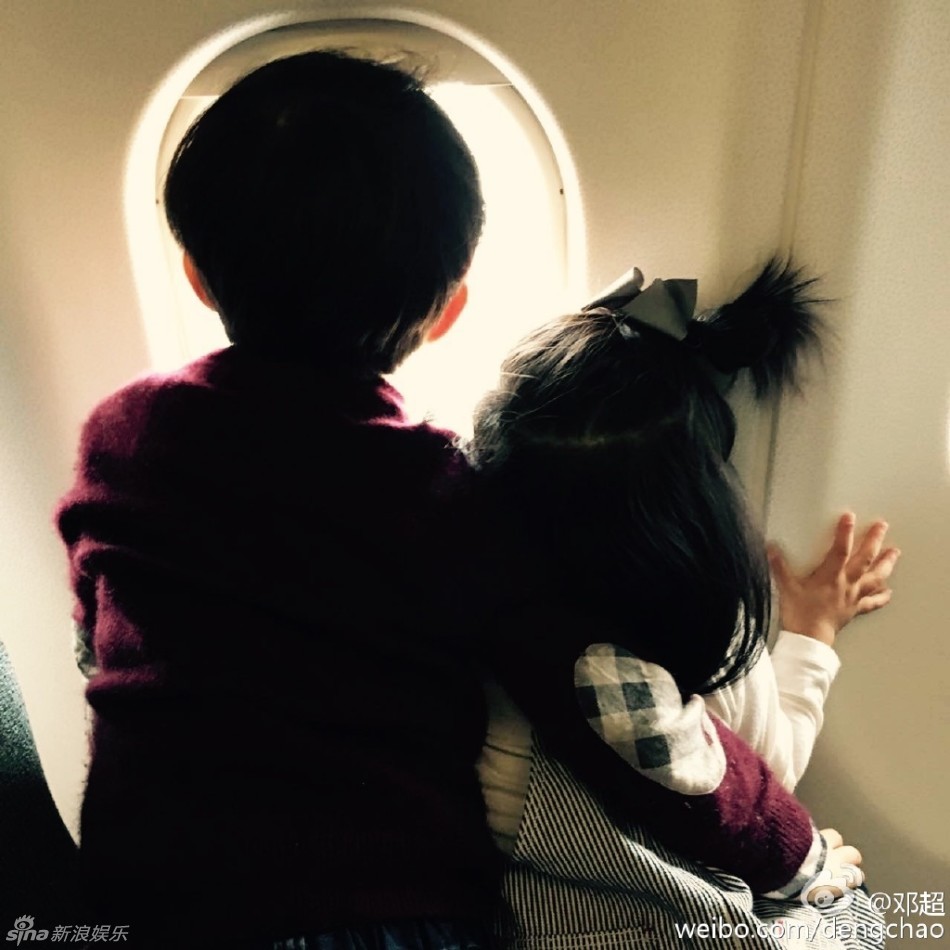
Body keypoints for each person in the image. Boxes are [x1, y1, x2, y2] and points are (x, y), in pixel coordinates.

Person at [57, 50, 497, 949]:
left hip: (146, 905)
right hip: (392, 907)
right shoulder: (447, 485)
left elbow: (92, 632)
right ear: (448, 309)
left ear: (196, 274)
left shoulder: (122, 433)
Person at [468, 259, 899, 947]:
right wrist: (812, 636)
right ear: (702, 510)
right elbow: (766, 777)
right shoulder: (709, 636)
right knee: (855, 915)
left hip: (537, 916)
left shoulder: (475, 612)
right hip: (675, 917)